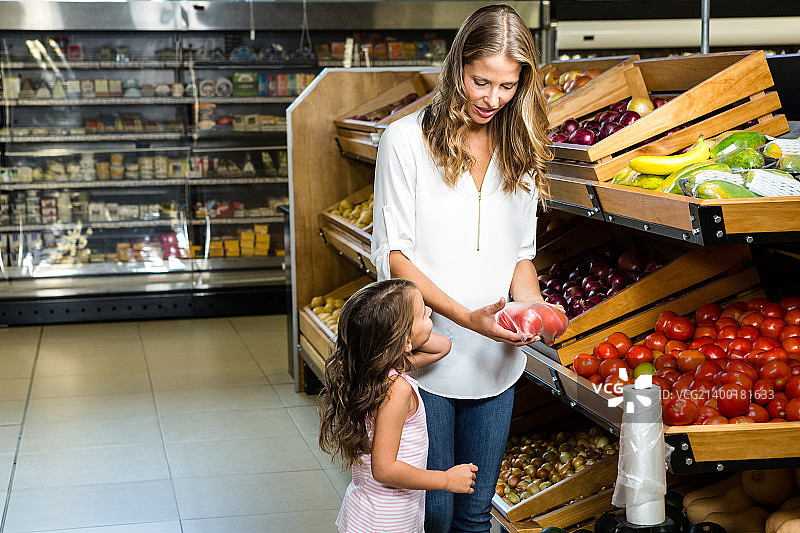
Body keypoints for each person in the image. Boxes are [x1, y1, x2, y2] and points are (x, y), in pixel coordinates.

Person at [370, 5, 554, 532]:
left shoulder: (520, 149)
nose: (491, 99)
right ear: (457, 68)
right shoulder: (405, 141)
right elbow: (394, 256)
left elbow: (520, 255)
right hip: (424, 361)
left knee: (475, 515)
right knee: (433, 512)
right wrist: (467, 317)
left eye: (507, 86)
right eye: (480, 81)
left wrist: (532, 310)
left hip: (496, 362)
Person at [318, 279, 480, 533]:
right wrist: (446, 479)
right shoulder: (397, 388)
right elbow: (384, 468)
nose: (429, 312)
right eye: (422, 313)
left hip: (369, 512)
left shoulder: (376, 372)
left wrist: (407, 338)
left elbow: (443, 347)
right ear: (404, 341)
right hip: (388, 521)